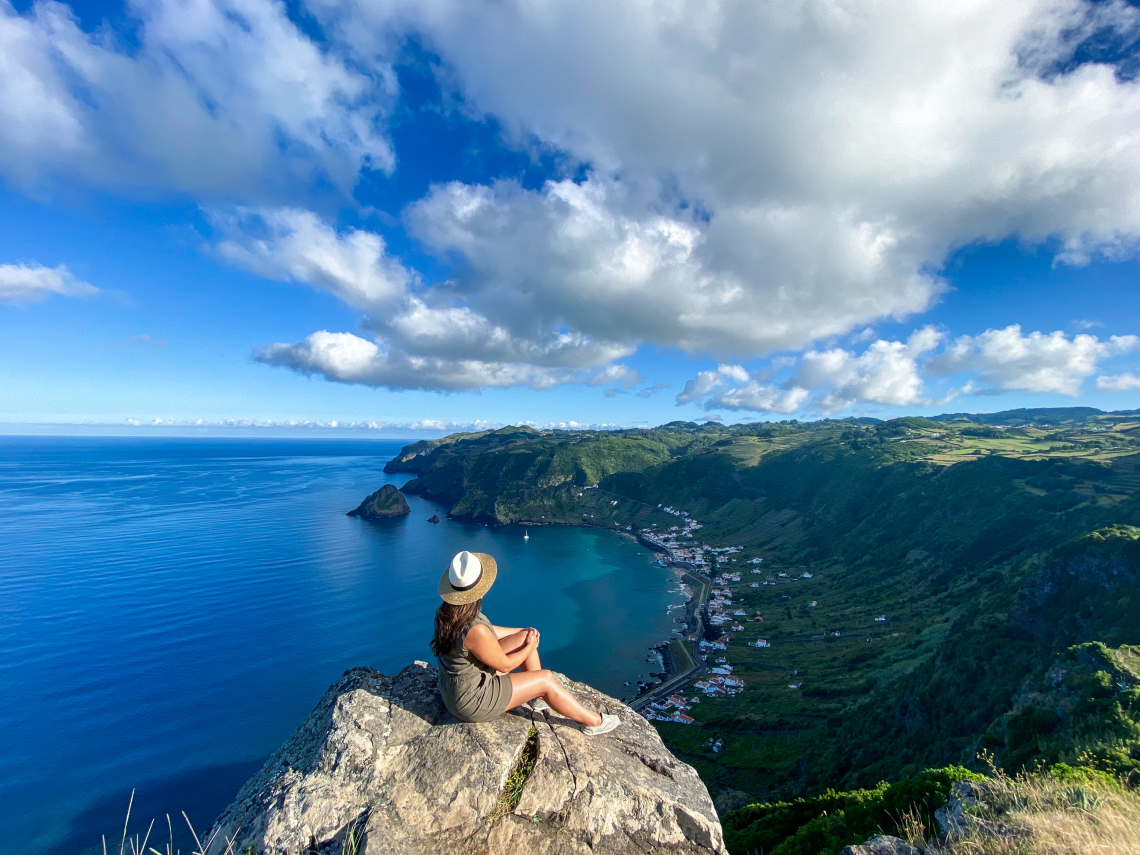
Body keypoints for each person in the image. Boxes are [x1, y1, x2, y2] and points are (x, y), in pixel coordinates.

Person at [431, 550, 621, 735]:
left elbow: (489, 633)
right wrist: (530, 646)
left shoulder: (449, 612)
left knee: (523, 639)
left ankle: (538, 697)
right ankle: (594, 722)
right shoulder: (474, 629)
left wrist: (523, 633)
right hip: (473, 700)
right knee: (545, 678)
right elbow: (505, 665)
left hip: (457, 688)